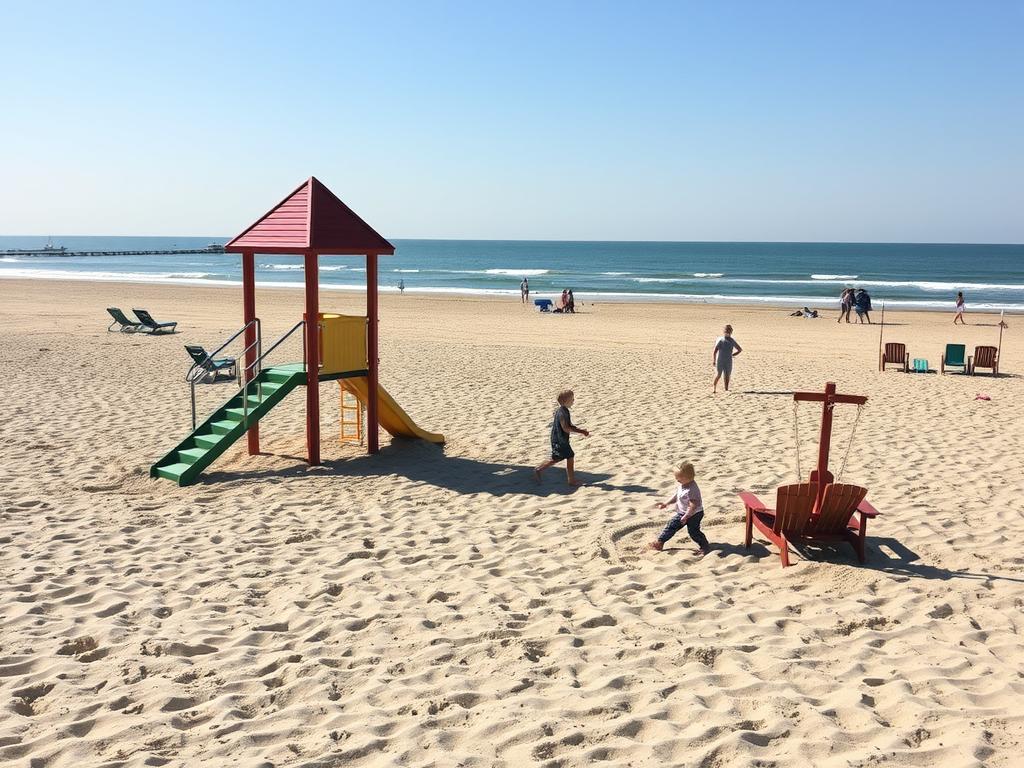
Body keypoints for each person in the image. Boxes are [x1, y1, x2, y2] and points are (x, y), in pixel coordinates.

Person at [648, 461, 710, 557]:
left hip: (694, 514)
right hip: (683, 513)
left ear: (688, 477)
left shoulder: (692, 489)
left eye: (679, 478)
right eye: (676, 477)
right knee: (671, 526)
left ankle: (705, 546)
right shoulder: (683, 485)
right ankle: (659, 543)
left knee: (694, 532)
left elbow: (693, 505)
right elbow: (677, 496)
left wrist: (687, 515)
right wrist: (666, 503)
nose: (676, 479)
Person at [534, 390, 589, 486]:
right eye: (572, 399)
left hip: (559, 438)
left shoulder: (564, 410)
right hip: (560, 440)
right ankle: (571, 481)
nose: (573, 400)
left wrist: (579, 429)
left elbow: (569, 424)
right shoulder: (562, 412)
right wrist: (581, 432)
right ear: (565, 401)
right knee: (568, 456)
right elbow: (566, 428)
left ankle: (539, 469)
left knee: (557, 458)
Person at [712, 324, 742, 393]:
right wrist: (714, 361)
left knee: (727, 375)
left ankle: (726, 389)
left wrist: (732, 355)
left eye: (728, 331)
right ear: (724, 332)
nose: (727, 332)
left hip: (728, 361)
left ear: (731, 332)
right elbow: (715, 351)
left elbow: (740, 349)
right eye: (726, 331)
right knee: (719, 374)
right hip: (720, 361)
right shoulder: (721, 340)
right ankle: (714, 388)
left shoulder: (732, 341)